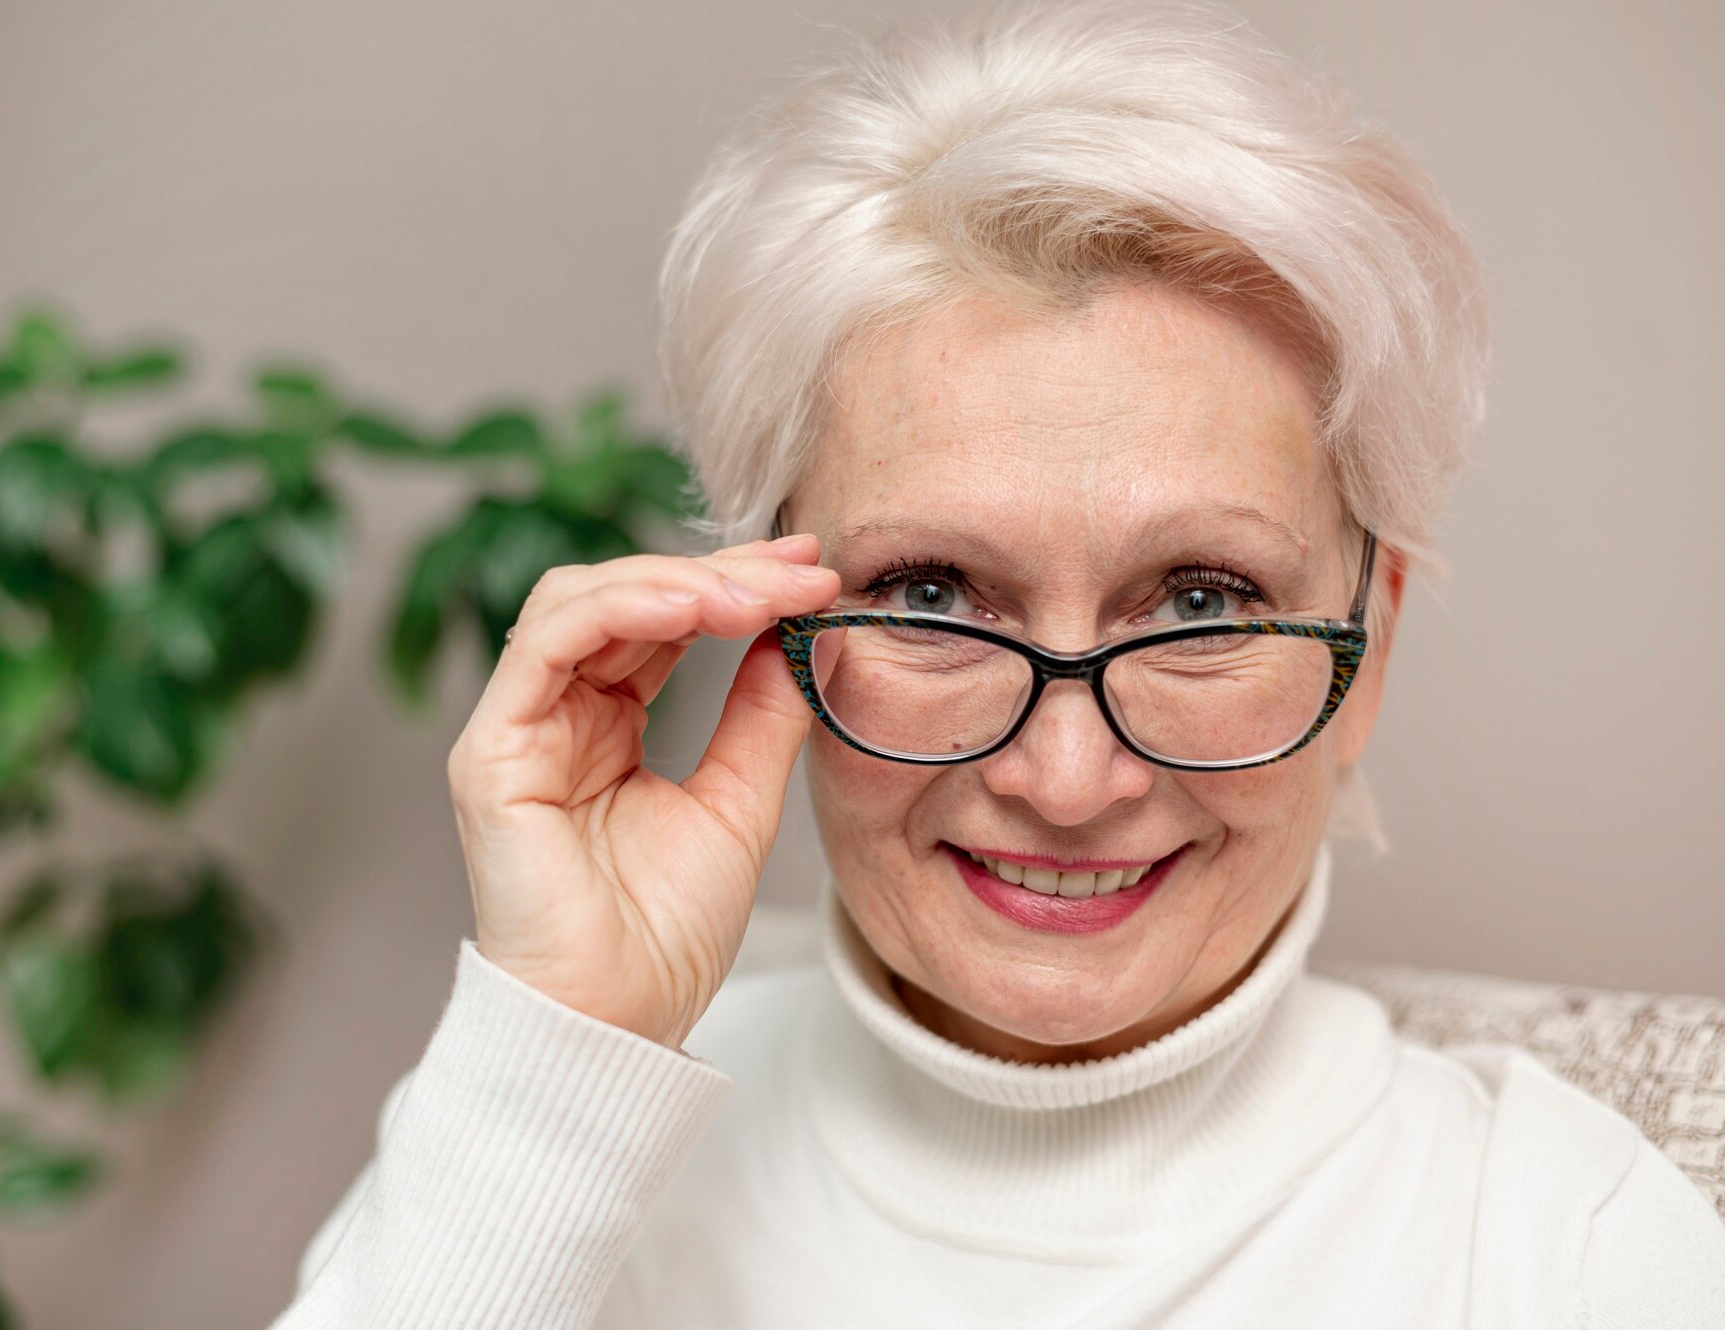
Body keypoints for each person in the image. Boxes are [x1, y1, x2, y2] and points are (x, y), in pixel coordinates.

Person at [269, 2, 1725, 1325]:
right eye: (933, 589)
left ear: (1374, 640)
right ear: (768, 617)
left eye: (1204, 600)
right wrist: (557, 1057)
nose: (1068, 778)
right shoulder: (534, 1148)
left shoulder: (1561, 1243)